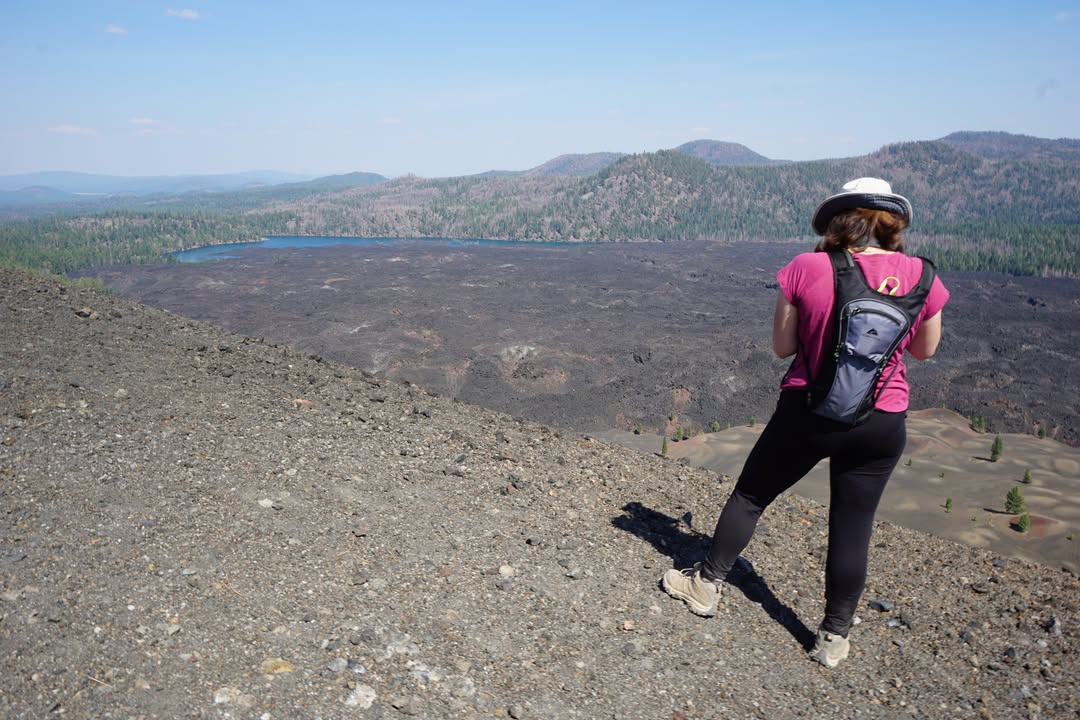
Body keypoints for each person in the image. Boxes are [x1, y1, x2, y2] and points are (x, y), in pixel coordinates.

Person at [661, 177, 950, 667]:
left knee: (751, 495)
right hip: (882, 422)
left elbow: (783, 348)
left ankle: (705, 586)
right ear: (892, 223)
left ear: (838, 219)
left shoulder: (807, 267)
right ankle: (833, 638)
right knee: (853, 524)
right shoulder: (924, 277)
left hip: (808, 411)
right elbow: (924, 350)